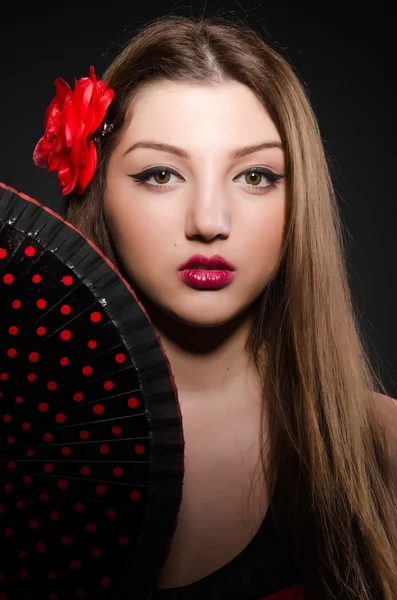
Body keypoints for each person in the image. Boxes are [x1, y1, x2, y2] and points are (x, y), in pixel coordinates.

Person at [32, 13, 397, 600]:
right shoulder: (23, 447)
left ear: (297, 198)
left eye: (254, 175)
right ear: (98, 191)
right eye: (160, 174)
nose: (209, 222)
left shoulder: (384, 449)